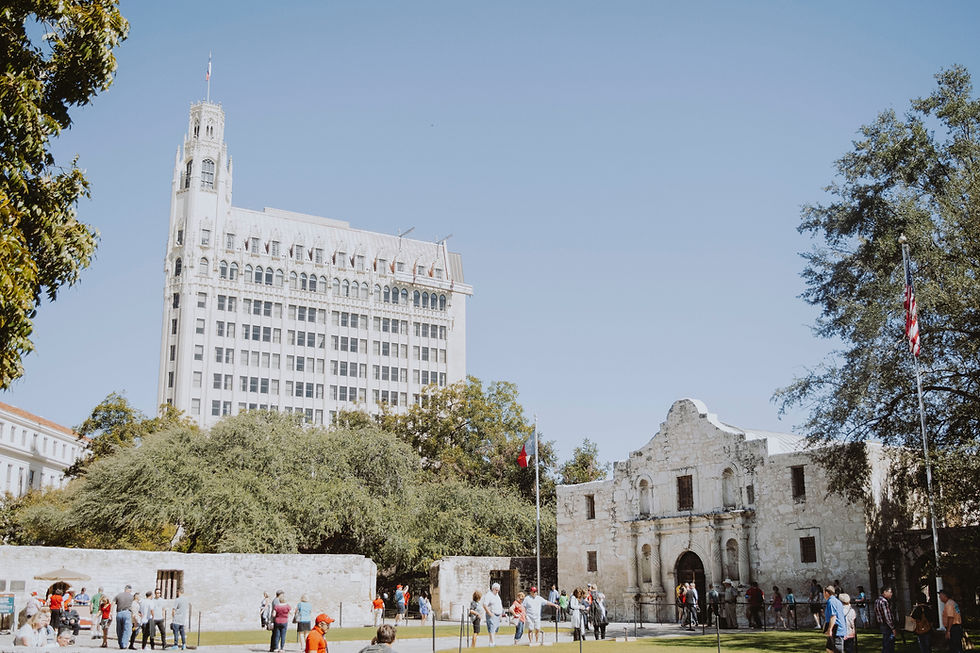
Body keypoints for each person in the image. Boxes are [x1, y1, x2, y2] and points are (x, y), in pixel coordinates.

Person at [823, 585, 846, 653]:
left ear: (827, 593)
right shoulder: (836, 601)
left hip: (836, 630)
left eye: (823, 592)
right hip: (835, 629)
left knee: (837, 650)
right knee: (829, 649)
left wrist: (830, 629)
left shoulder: (831, 602)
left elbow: (833, 616)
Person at [874, 586, 897, 653]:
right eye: (890, 592)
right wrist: (893, 628)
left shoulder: (877, 601)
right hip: (887, 625)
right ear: (884, 592)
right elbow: (887, 616)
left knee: (885, 643)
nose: (891, 594)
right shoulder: (884, 602)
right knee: (889, 644)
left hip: (882, 624)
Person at [940, 588, 963, 653]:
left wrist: (948, 631)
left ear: (945, 595)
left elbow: (950, 617)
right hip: (957, 627)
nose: (940, 597)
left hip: (953, 628)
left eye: (940, 596)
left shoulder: (949, 604)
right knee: (957, 646)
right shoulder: (952, 602)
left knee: (954, 647)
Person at [481, 582, 504, 647]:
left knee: (495, 629)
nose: (497, 591)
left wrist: (501, 614)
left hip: (498, 614)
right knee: (492, 628)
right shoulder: (489, 595)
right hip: (492, 614)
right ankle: (492, 643)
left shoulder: (497, 595)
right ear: (493, 589)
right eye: (496, 590)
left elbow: (499, 605)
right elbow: (484, 605)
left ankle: (491, 641)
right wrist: (490, 613)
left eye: (498, 590)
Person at [115, 585, 135, 650]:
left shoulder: (118, 595)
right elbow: (133, 606)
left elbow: (113, 603)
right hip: (127, 613)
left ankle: (120, 643)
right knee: (127, 629)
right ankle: (124, 644)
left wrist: (110, 613)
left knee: (119, 629)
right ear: (129, 590)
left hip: (119, 613)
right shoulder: (131, 597)